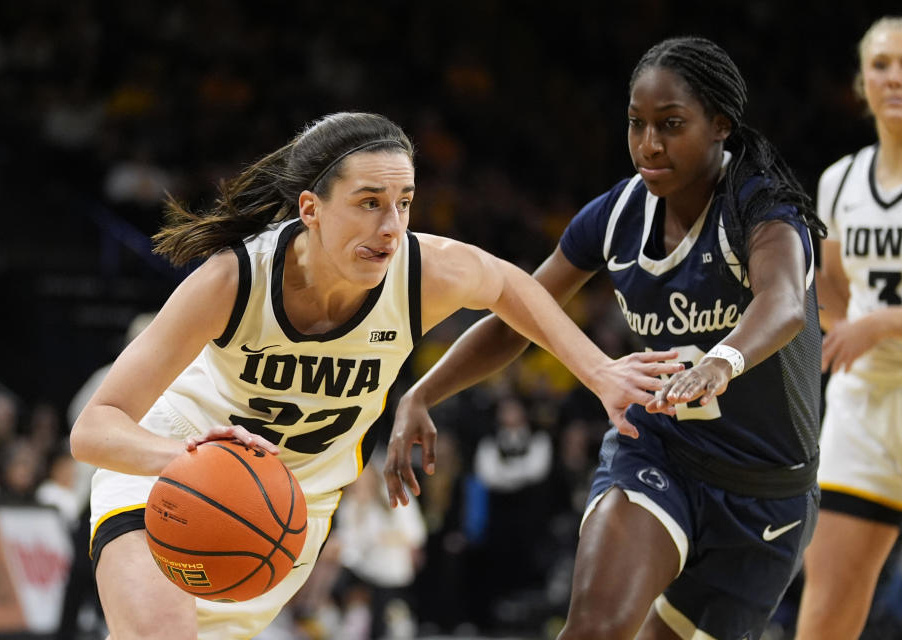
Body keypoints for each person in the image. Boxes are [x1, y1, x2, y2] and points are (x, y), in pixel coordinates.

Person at [69, 111, 681, 640]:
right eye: (369, 204)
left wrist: (599, 372)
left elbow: (509, 285)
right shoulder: (234, 280)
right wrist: (181, 459)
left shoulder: (421, 272)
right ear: (310, 208)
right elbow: (95, 427)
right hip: (173, 469)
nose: (391, 227)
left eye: (404, 203)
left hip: (290, 504)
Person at [384, 38, 827, 640]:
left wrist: (723, 360)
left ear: (720, 125)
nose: (649, 144)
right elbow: (520, 315)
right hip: (661, 453)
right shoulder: (616, 214)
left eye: (671, 125)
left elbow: (782, 304)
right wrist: (422, 394)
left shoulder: (764, 209)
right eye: (636, 124)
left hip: (765, 494)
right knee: (593, 628)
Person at [795, 17, 902, 640]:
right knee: (827, 614)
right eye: (882, 63)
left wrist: (883, 322)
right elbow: (831, 283)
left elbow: (867, 314)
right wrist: (840, 328)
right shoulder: (840, 181)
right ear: (863, 81)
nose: (894, 76)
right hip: (863, 407)